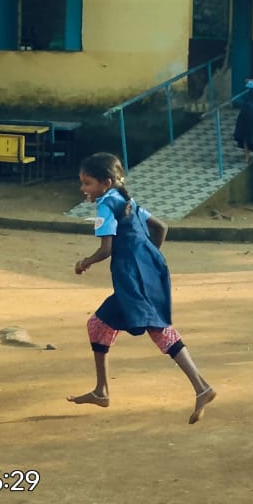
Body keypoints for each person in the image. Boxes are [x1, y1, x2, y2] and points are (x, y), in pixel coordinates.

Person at [67, 152, 215, 423]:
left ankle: (202, 386)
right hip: (147, 272)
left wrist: (84, 262)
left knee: (157, 328)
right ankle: (101, 391)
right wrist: (147, 257)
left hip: (131, 279)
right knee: (98, 325)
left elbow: (106, 249)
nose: (82, 188)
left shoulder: (106, 205)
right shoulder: (127, 201)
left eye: (87, 183)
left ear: (106, 183)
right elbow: (161, 227)